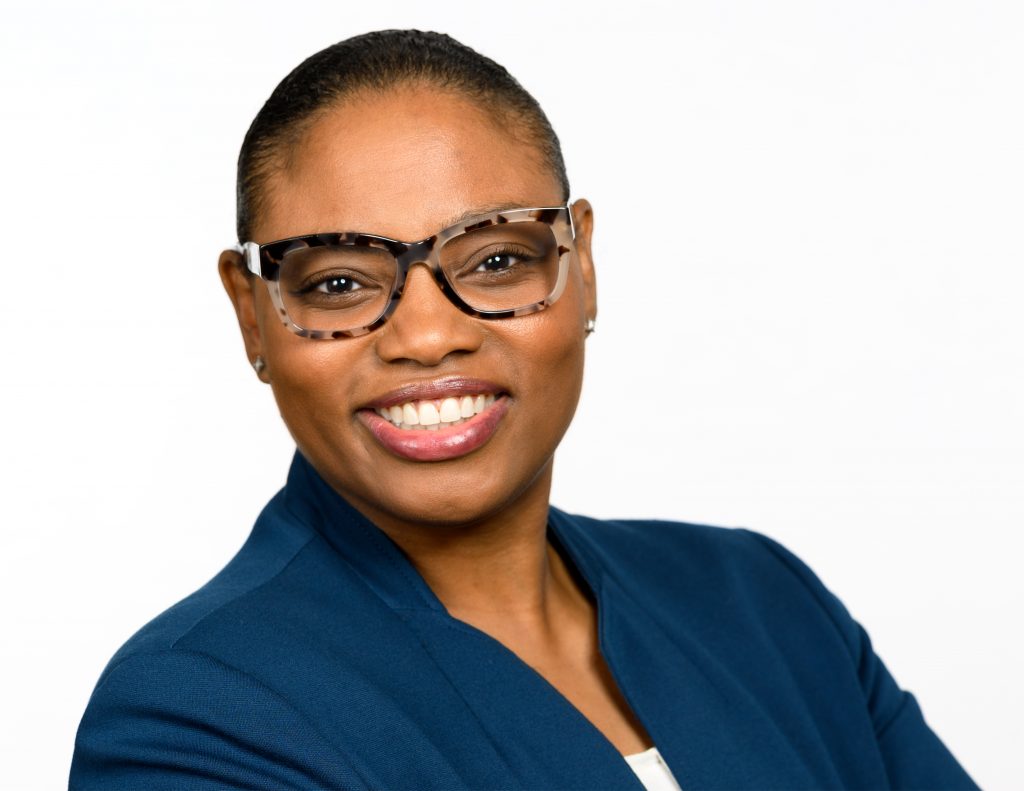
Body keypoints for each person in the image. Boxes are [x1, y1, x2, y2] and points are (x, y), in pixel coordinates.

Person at [69, 29, 977, 790]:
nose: (427, 336)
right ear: (253, 314)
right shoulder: (195, 717)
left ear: (580, 267)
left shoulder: (764, 604)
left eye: (496, 259)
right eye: (339, 281)